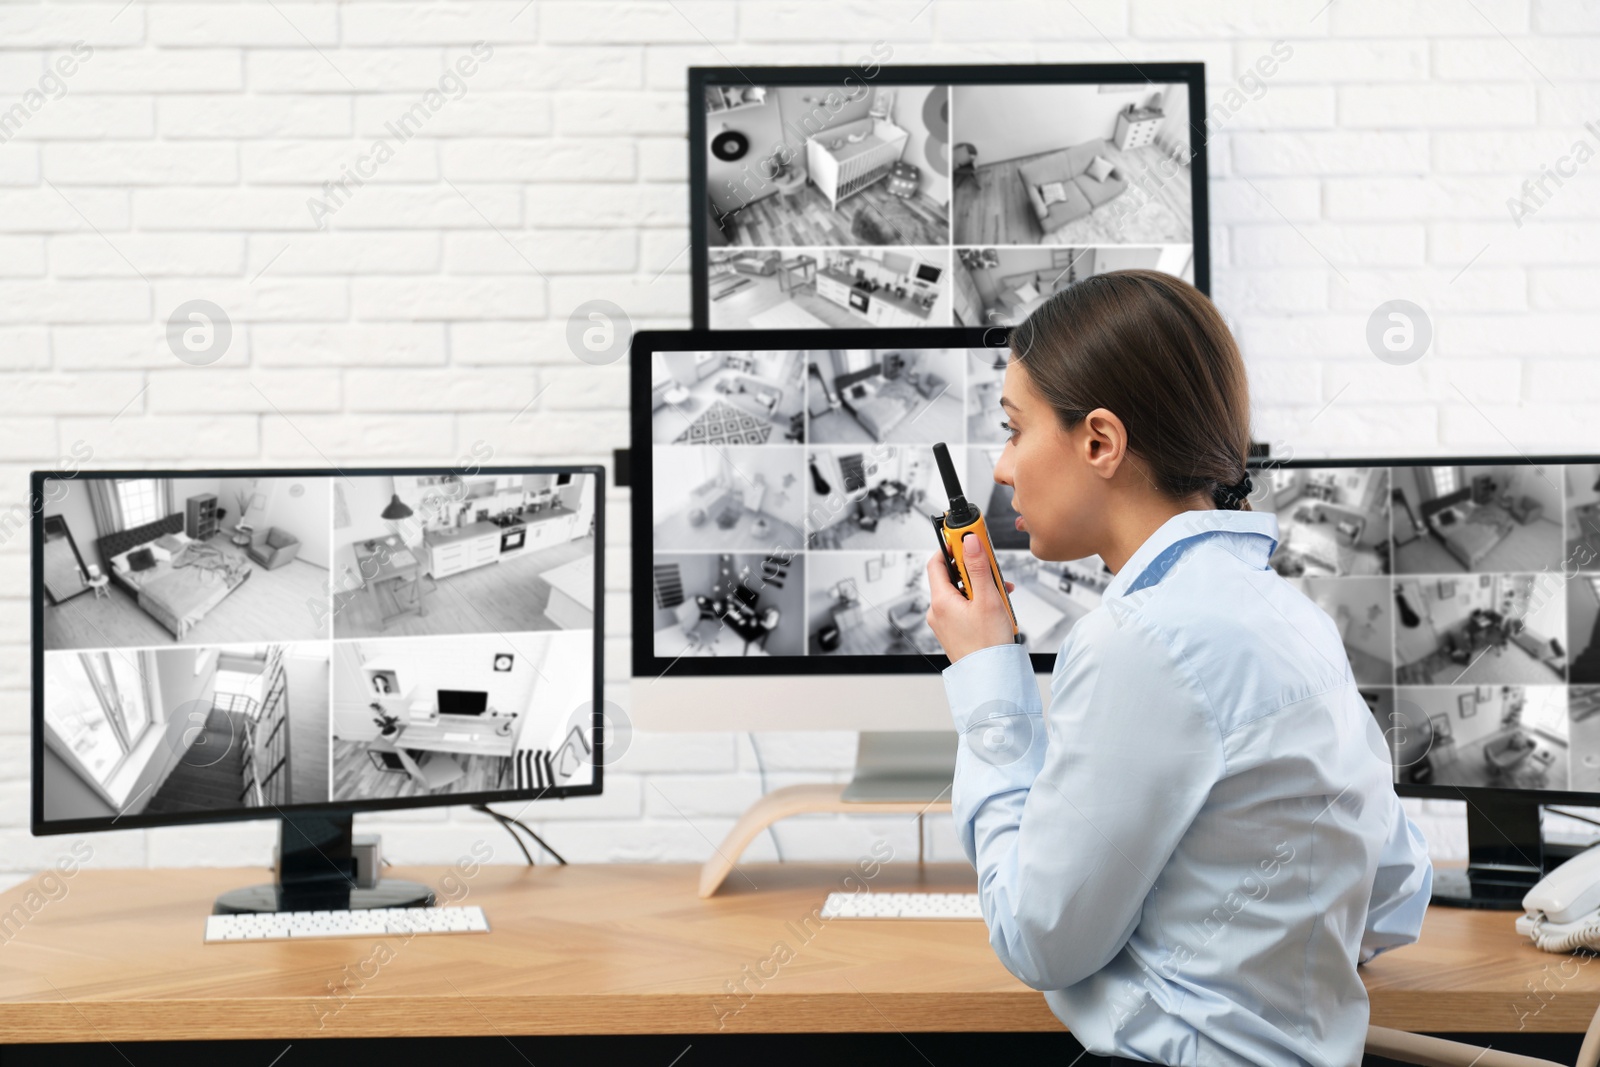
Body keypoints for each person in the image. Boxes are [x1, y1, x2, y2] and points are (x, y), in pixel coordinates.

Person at [924, 269, 1433, 1067]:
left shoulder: (1141, 638)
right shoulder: (1295, 617)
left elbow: (1037, 936)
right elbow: (1398, 889)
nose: (1001, 467)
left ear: (1100, 440)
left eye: (1015, 430)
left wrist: (990, 673)